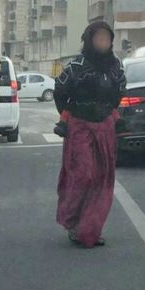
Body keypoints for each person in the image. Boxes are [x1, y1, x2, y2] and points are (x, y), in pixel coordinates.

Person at [54, 21, 126, 248]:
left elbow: (119, 93)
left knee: (102, 178)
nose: (103, 42)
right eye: (99, 38)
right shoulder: (76, 66)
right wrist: (69, 115)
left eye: (107, 39)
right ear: (89, 40)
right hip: (79, 126)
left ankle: (90, 229)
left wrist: (106, 112)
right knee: (84, 174)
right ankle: (73, 222)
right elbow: (59, 92)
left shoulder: (116, 67)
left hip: (104, 127)